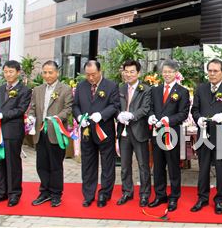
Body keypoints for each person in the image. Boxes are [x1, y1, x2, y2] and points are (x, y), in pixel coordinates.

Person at [190, 59, 222, 214]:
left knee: (220, 170)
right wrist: (198, 119)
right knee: (203, 169)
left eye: (215, 71)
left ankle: (219, 200)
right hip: (204, 135)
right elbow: (195, 110)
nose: (212, 74)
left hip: (221, 136)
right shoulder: (200, 89)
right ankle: (202, 198)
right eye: (210, 70)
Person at [72, 60, 120, 208]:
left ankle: (104, 194)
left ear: (100, 71)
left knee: (107, 164)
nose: (91, 78)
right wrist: (79, 117)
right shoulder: (81, 86)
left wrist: (102, 115)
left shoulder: (111, 86)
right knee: (88, 164)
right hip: (87, 131)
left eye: (93, 74)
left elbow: (115, 105)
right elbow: (75, 106)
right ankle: (88, 195)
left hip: (104, 131)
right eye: (88, 75)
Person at [27, 61, 73, 207]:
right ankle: (44, 191)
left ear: (57, 73)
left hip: (56, 132)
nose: (47, 75)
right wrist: (31, 117)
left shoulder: (65, 89)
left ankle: (56, 194)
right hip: (40, 133)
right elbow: (33, 108)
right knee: (41, 164)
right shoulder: (38, 90)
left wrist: (56, 118)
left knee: (55, 165)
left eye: (50, 72)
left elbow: (68, 109)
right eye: (45, 72)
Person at [0, 60, 31, 207]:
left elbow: (20, 110)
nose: (8, 74)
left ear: (18, 72)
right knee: (0, 162)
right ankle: (0, 192)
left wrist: (2, 115)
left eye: (11, 71)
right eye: (5, 71)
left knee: (13, 163)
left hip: (13, 131)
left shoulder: (24, 90)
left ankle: (14, 193)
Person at [148, 60, 190, 212]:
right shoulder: (155, 90)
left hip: (172, 133)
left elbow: (183, 114)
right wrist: (151, 116)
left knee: (173, 166)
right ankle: (160, 195)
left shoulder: (182, 91)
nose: (167, 74)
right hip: (157, 132)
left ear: (176, 73)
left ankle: (174, 197)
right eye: (165, 71)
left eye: (170, 72)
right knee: (158, 166)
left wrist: (168, 120)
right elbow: (151, 107)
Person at [116, 60, 152, 207]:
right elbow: (115, 105)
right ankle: (127, 192)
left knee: (143, 165)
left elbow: (145, 108)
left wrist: (132, 115)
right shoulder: (120, 88)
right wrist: (118, 115)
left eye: (132, 71)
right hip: (123, 132)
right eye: (126, 71)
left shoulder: (146, 89)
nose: (129, 74)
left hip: (139, 131)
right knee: (125, 165)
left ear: (138, 73)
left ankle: (144, 194)